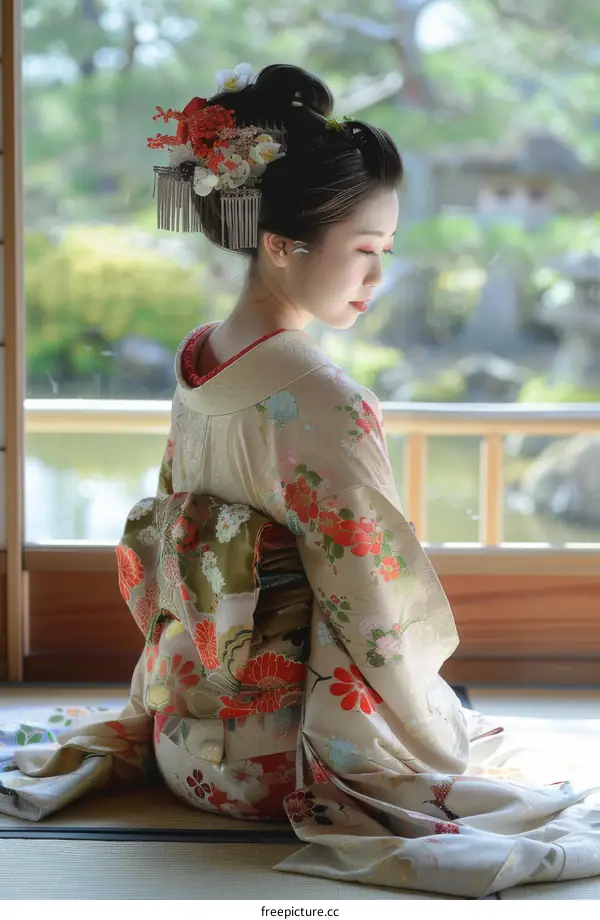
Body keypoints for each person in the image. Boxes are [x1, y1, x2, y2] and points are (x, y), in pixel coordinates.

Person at [1, 62, 599, 898]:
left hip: (188, 738)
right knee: (497, 750)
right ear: (282, 246)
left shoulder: (200, 357)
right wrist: (427, 719)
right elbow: (373, 600)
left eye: (386, 253)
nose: (377, 281)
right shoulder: (322, 397)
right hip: (281, 768)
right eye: (363, 252)